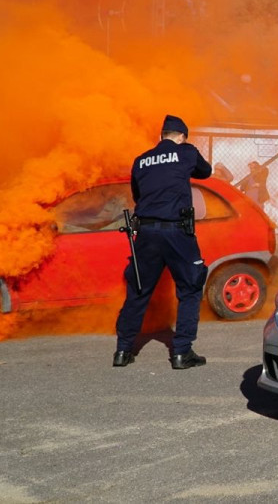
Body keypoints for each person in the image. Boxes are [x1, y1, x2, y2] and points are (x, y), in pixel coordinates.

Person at [113, 114, 213, 370]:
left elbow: (138, 195)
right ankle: (182, 353)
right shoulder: (186, 152)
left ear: (160, 136)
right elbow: (206, 171)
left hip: (145, 233)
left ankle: (123, 351)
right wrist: (187, 152)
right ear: (181, 137)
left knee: (138, 290)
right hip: (177, 233)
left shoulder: (141, 160)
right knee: (190, 289)